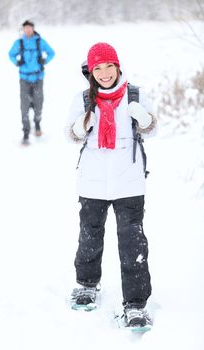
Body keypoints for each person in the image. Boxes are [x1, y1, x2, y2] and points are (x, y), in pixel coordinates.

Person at [65, 42, 157, 327]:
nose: (104, 73)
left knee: (133, 244)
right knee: (89, 238)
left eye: (109, 66)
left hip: (129, 181)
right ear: (90, 72)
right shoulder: (82, 99)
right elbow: (70, 134)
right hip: (92, 182)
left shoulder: (136, 94)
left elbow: (152, 128)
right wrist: (81, 126)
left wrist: (144, 119)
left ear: (118, 66)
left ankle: (136, 304)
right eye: (98, 68)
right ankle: (86, 285)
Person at [9, 20, 55, 144]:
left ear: (33, 29)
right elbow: (11, 54)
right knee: (24, 105)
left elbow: (51, 53)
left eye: (30, 28)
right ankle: (26, 131)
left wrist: (44, 60)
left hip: (38, 78)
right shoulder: (19, 43)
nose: (28, 30)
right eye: (26, 28)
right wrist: (16, 62)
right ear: (23, 30)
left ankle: (37, 123)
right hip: (24, 79)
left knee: (38, 103)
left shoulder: (40, 42)